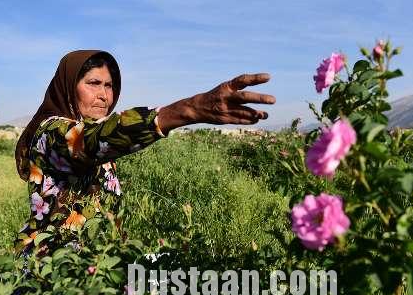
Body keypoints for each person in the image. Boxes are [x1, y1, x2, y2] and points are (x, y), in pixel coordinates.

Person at [14, 50, 275, 258]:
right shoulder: (51, 131)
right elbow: (92, 139)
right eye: (93, 83)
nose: (104, 95)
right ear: (69, 86)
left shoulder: (99, 137)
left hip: (92, 275)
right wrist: (189, 111)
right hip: (50, 275)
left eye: (109, 85)